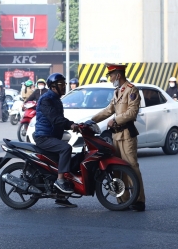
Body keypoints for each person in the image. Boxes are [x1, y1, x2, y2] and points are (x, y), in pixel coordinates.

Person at [91, 63, 146, 212]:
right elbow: (109, 110)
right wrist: (92, 120)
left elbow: (131, 113)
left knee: (132, 167)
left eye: (111, 75)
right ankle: (123, 199)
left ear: (118, 75)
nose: (110, 79)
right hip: (116, 136)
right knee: (116, 168)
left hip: (127, 135)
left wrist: (115, 120)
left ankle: (139, 200)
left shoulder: (131, 90)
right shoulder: (117, 92)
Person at [32, 73, 80, 207]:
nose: (64, 87)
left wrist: (76, 125)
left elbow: (59, 120)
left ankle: (61, 197)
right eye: (61, 85)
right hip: (44, 137)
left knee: (67, 160)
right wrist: (70, 125)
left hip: (52, 136)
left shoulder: (56, 99)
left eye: (64, 84)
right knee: (65, 149)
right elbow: (55, 119)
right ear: (53, 87)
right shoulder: (46, 99)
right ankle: (60, 181)